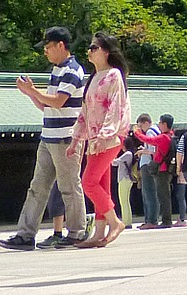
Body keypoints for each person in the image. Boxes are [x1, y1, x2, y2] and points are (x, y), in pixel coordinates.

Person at [0, 26, 90, 251]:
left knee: (69, 186)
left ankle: (77, 232)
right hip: (49, 137)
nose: (45, 52)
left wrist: (33, 90)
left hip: (66, 138)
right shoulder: (57, 70)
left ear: (61, 46)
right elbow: (47, 104)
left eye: (48, 47)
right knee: (38, 187)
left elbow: (58, 101)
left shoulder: (72, 70)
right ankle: (25, 234)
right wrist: (30, 93)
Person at [67, 32, 131, 247]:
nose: (90, 51)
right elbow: (85, 112)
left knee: (89, 182)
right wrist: (76, 140)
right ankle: (98, 232)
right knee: (101, 183)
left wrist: (105, 134)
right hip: (95, 139)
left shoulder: (114, 75)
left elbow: (116, 107)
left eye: (94, 48)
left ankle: (114, 222)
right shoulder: (93, 78)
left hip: (109, 137)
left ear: (105, 52)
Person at [132, 115, 170, 228]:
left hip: (148, 165)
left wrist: (142, 151)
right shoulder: (156, 131)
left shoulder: (150, 132)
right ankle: (150, 219)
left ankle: (151, 220)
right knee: (151, 193)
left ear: (145, 123)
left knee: (149, 193)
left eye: (140, 125)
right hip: (152, 165)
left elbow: (152, 149)